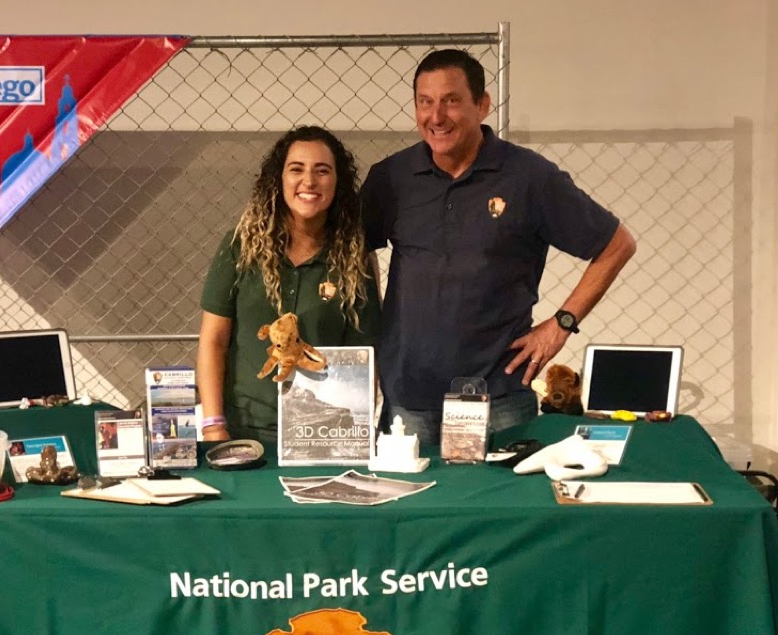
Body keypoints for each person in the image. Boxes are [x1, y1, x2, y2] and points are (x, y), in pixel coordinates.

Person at [361, 49, 636, 446]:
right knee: (409, 506)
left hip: (498, 401)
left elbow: (617, 245)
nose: (436, 116)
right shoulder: (391, 177)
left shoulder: (530, 177)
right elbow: (345, 252)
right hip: (409, 401)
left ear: (483, 105)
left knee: (501, 508)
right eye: (425, 102)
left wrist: (561, 324)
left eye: (452, 101)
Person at [197, 125, 381, 443]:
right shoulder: (240, 247)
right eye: (296, 169)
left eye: (322, 171)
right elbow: (213, 341)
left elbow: (365, 357)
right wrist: (214, 425)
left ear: (338, 183)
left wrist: (355, 434)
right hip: (244, 432)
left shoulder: (354, 260)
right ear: (278, 179)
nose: (309, 181)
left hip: (322, 434)